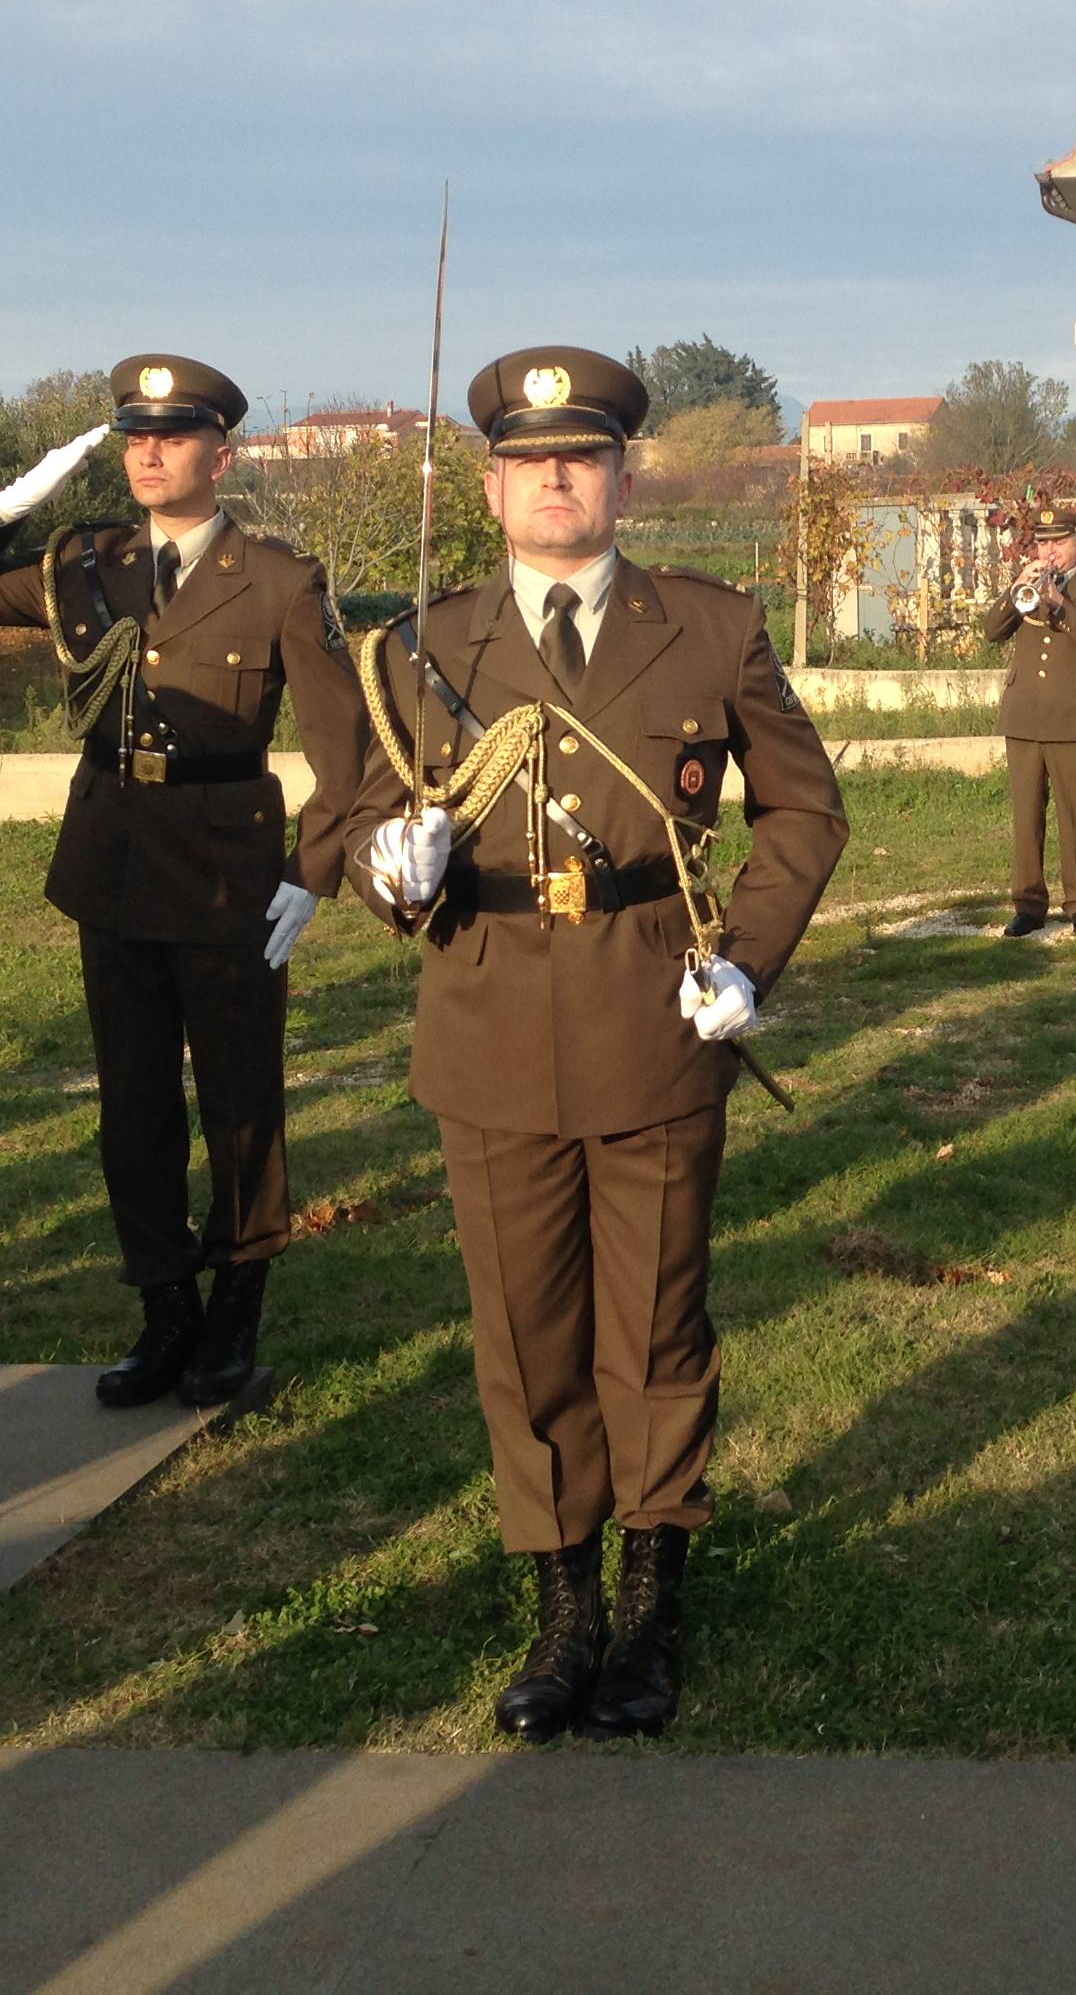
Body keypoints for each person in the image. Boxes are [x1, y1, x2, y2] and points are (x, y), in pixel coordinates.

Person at [346, 346, 847, 1743]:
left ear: (624, 476)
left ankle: (650, 1599)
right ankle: (563, 1604)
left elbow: (801, 812)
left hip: (651, 1019)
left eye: (582, 456)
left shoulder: (710, 628)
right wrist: (394, 863)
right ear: (492, 484)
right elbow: (350, 829)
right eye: (528, 459)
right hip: (492, 1020)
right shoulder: (421, 650)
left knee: (655, 1324)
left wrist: (745, 957)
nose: (555, 478)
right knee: (526, 1334)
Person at [0, 355, 368, 1407]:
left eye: (172, 435)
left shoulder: (281, 580)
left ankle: (236, 1310)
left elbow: (351, 756)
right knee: (134, 1101)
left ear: (223, 452)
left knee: (241, 1098)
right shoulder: (81, 561)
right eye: (133, 436)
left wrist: (314, 867)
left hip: (228, 875)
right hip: (112, 862)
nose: (147, 454)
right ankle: (165, 1308)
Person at [980, 502, 1076, 936]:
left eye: (1058, 542)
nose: (1050, 551)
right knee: (1027, 816)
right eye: (1043, 543)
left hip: (1073, 716)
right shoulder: (1026, 586)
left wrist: (1059, 603)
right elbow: (990, 630)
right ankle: (1028, 903)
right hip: (1024, 716)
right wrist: (1016, 589)